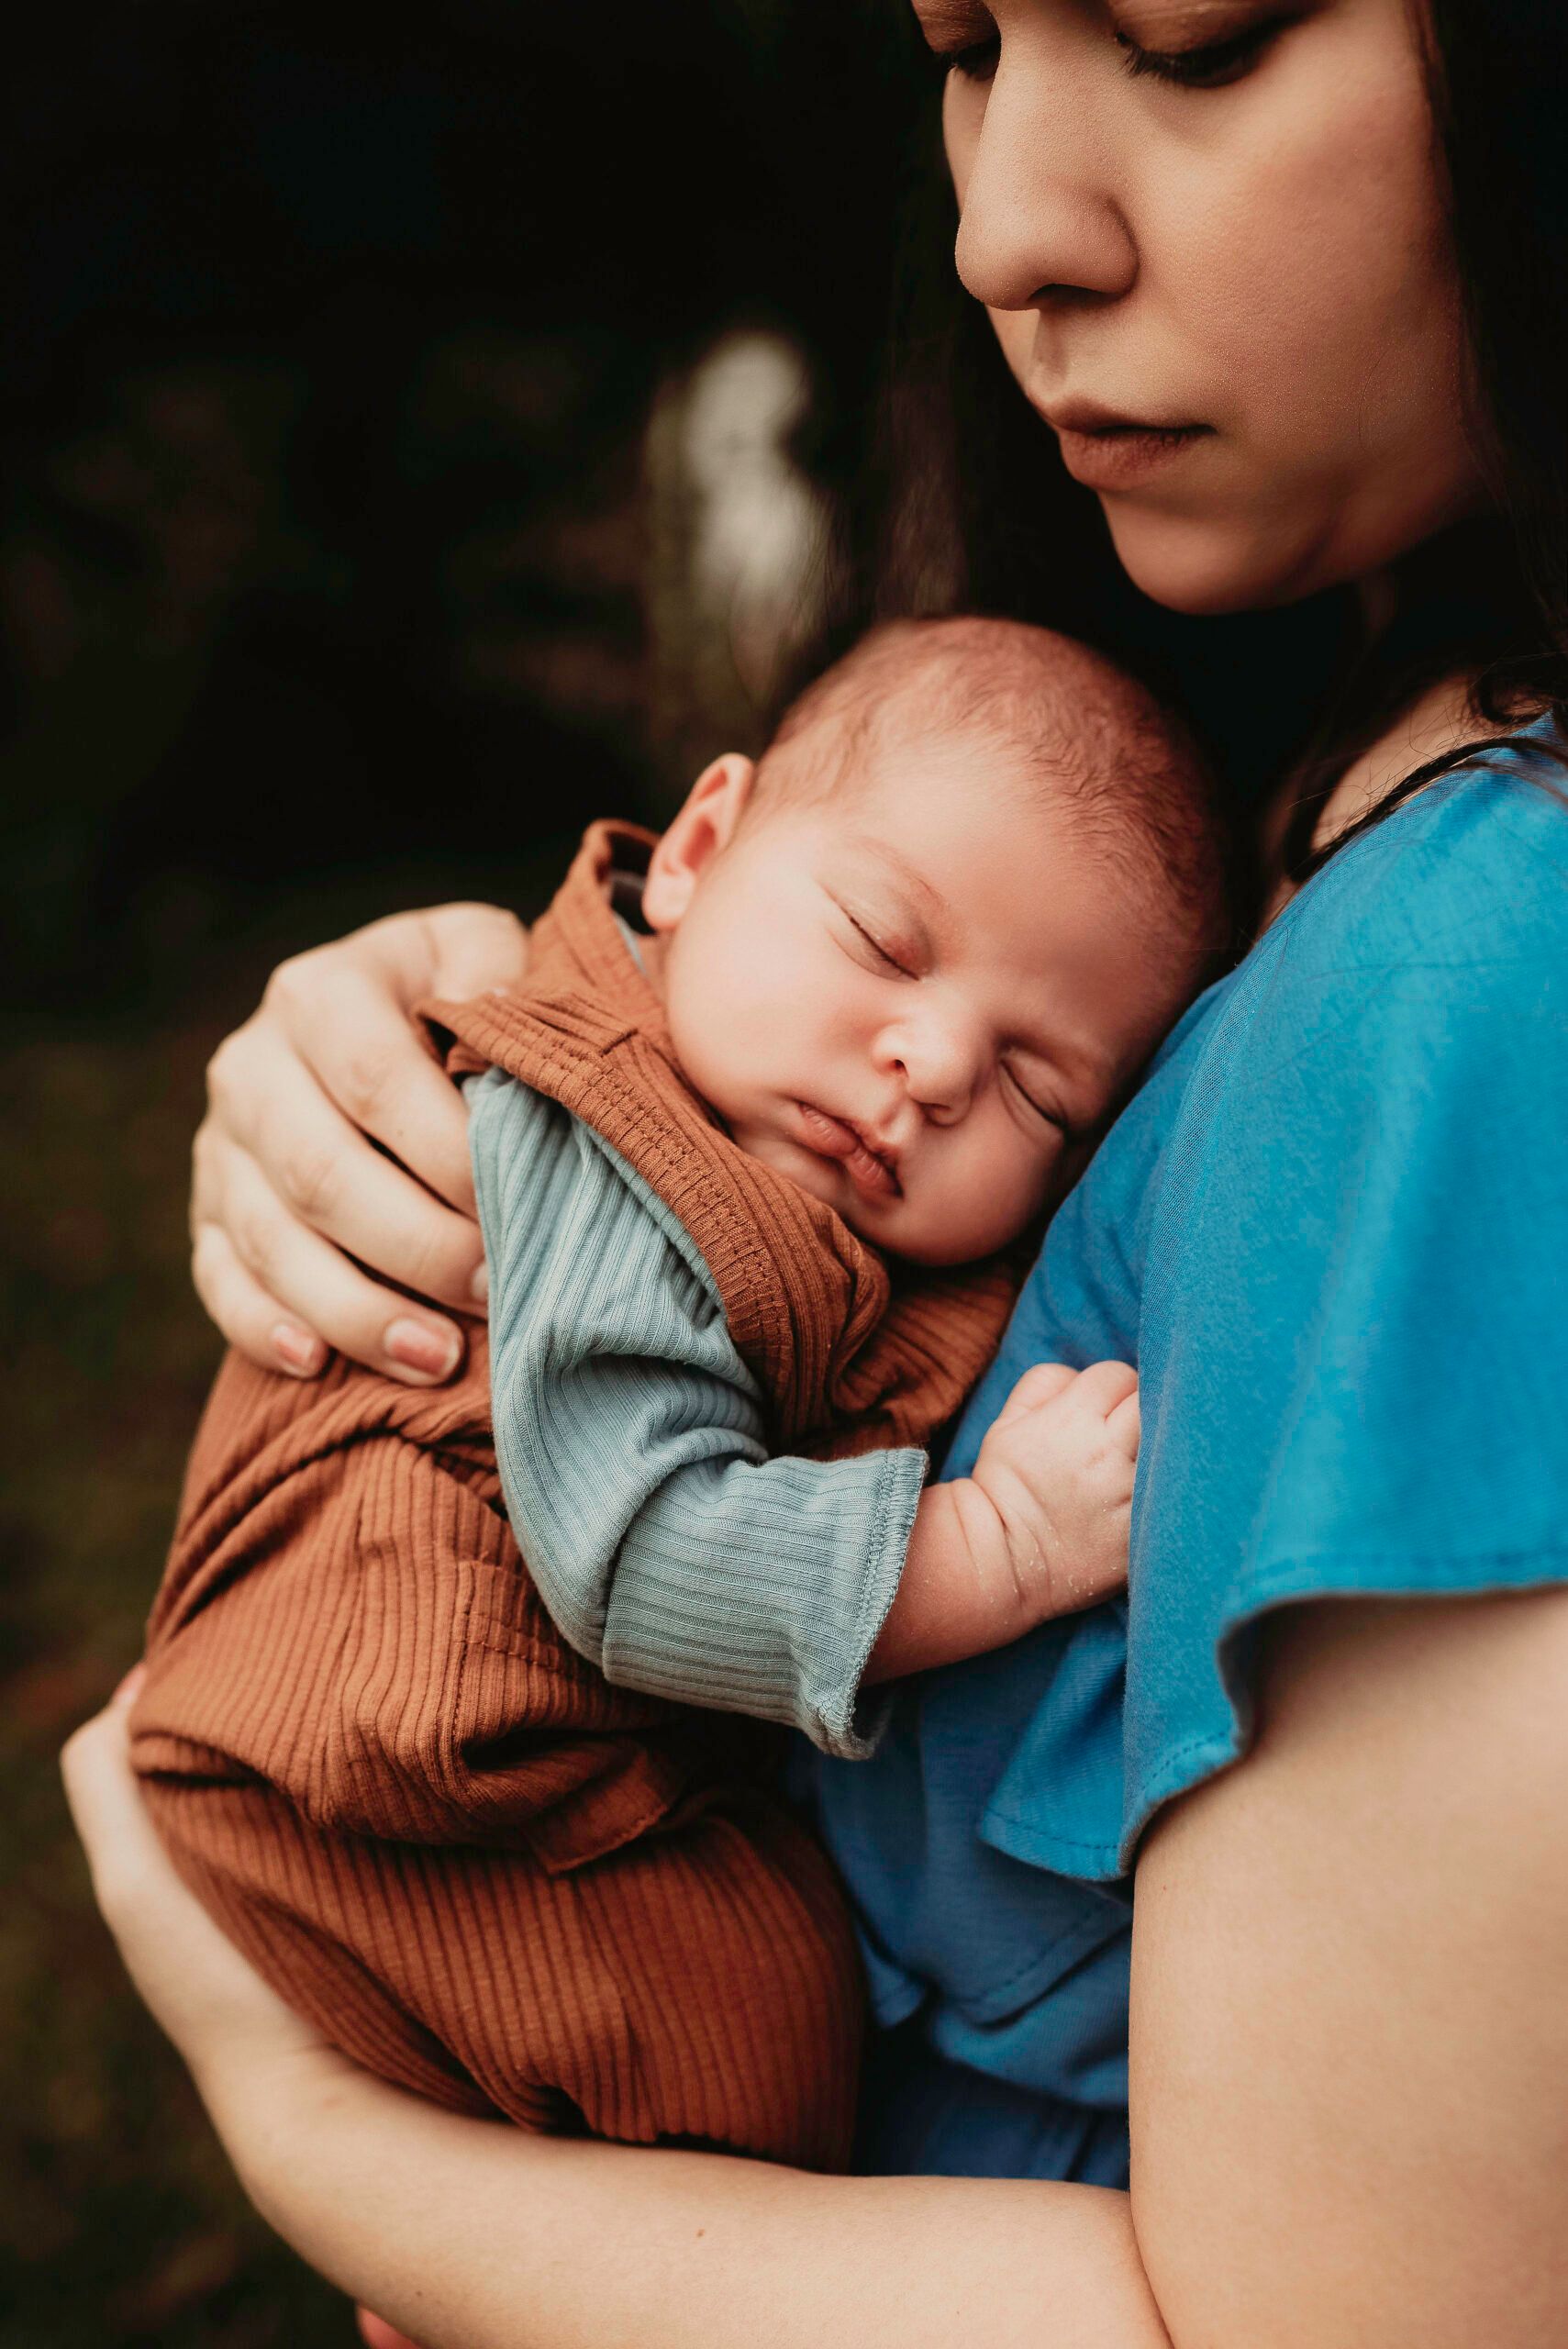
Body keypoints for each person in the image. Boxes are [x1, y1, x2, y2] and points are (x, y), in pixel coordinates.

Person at [64, 0, 1568, 2343]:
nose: (1005, 229)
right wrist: (454, 1041)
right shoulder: (1279, 752)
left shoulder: (1483, 950)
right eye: (966, 49)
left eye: (1195, 39)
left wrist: (332, 2140)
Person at [130, 616, 1222, 2158]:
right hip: (390, 1766)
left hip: (460, 1769)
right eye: (883, 944)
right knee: (755, 2031)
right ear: (699, 845)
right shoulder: (621, 1138)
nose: (928, 1062)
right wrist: (1003, 1544)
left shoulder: (759, 1119)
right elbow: (640, 1557)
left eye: (1037, 1085)